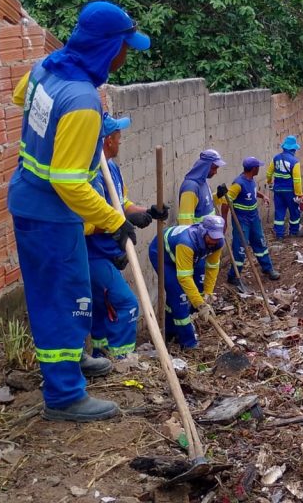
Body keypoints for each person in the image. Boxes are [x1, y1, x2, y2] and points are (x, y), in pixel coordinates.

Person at [7, 0, 150, 422]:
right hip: (49, 213)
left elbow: (21, 97)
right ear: (108, 48)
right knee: (60, 299)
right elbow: (68, 181)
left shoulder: (48, 69)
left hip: (35, 202)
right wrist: (114, 220)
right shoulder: (83, 102)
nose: (127, 57)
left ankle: (70, 363)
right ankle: (65, 395)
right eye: (125, 47)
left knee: (70, 294)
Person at [86, 113, 168, 360]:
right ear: (108, 140)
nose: (121, 140)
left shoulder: (112, 168)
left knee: (103, 308)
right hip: (92, 255)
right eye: (118, 135)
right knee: (127, 304)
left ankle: (101, 355)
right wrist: (120, 222)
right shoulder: (90, 177)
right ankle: (122, 361)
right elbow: (86, 225)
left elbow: (122, 203)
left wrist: (148, 212)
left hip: (109, 253)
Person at [148, 216, 226, 349]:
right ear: (203, 231)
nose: (214, 240)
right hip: (163, 255)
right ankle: (188, 343)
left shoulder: (217, 242)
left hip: (190, 255)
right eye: (212, 237)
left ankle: (171, 331)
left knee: (191, 291)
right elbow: (184, 278)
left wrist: (207, 293)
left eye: (217, 237)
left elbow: (212, 268)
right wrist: (200, 305)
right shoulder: (187, 242)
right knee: (180, 296)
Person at [223, 157, 280, 287]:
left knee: (260, 243)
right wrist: (224, 221)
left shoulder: (251, 180)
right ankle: (233, 276)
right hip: (242, 220)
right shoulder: (238, 184)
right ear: (254, 169)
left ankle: (267, 268)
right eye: (258, 167)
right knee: (240, 248)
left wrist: (263, 196)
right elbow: (225, 202)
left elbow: (253, 191)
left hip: (254, 218)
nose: (259, 169)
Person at [177, 149, 227, 297]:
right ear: (205, 166)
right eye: (214, 168)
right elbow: (185, 222)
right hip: (197, 244)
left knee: (202, 283)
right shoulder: (190, 188)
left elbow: (206, 205)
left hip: (206, 242)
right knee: (195, 285)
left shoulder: (203, 183)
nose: (216, 172)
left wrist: (217, 196)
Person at [266, 136, 303, 239]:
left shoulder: (276, 158)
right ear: (293, 149)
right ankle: (293, 232)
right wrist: (299, 194)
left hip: (278, 191)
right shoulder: (295, 162)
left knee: (279, 212)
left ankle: (279, 235)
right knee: (294, 211)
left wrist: (270, 183)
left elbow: (269, 173)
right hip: (290, 191)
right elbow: (297, 180)